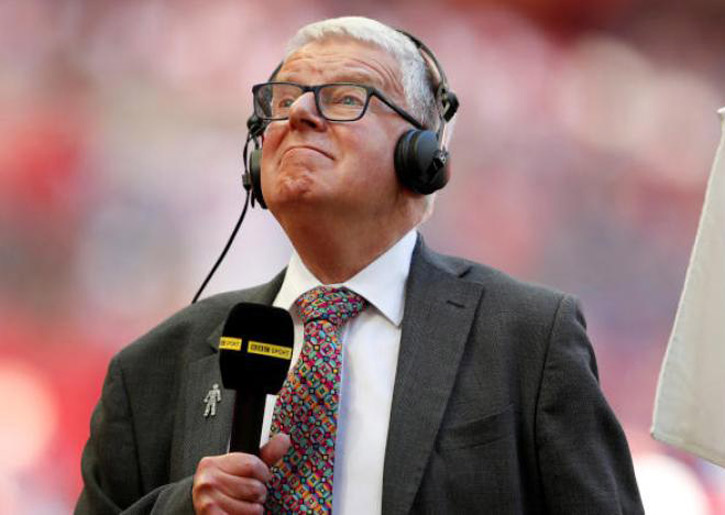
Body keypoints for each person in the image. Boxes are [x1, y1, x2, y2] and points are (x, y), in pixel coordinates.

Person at [76, 16, 644, 514]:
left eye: (345, 98)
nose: (300, 114)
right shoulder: (151, 369)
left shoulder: (528, 339)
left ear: (422, 155)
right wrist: (182, 508)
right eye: (283, 100)